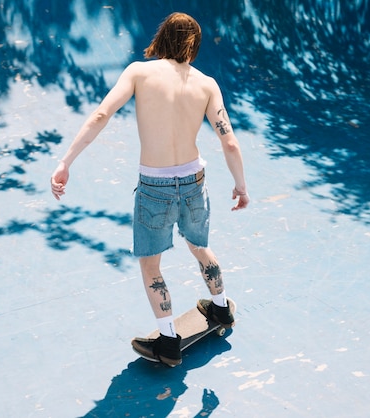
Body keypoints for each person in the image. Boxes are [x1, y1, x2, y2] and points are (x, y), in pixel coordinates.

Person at [50, 12, 249, 367]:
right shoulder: (207, 84)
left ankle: (168, 341)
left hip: (155, 186)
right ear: (194, 47)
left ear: (161, 40)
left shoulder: (139, 72)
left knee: (151, 265)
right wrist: (241, 185)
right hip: (193, 181)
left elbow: (100, 116)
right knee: (200, 246)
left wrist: (66, 161)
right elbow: (229, 141)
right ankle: (221, 309)